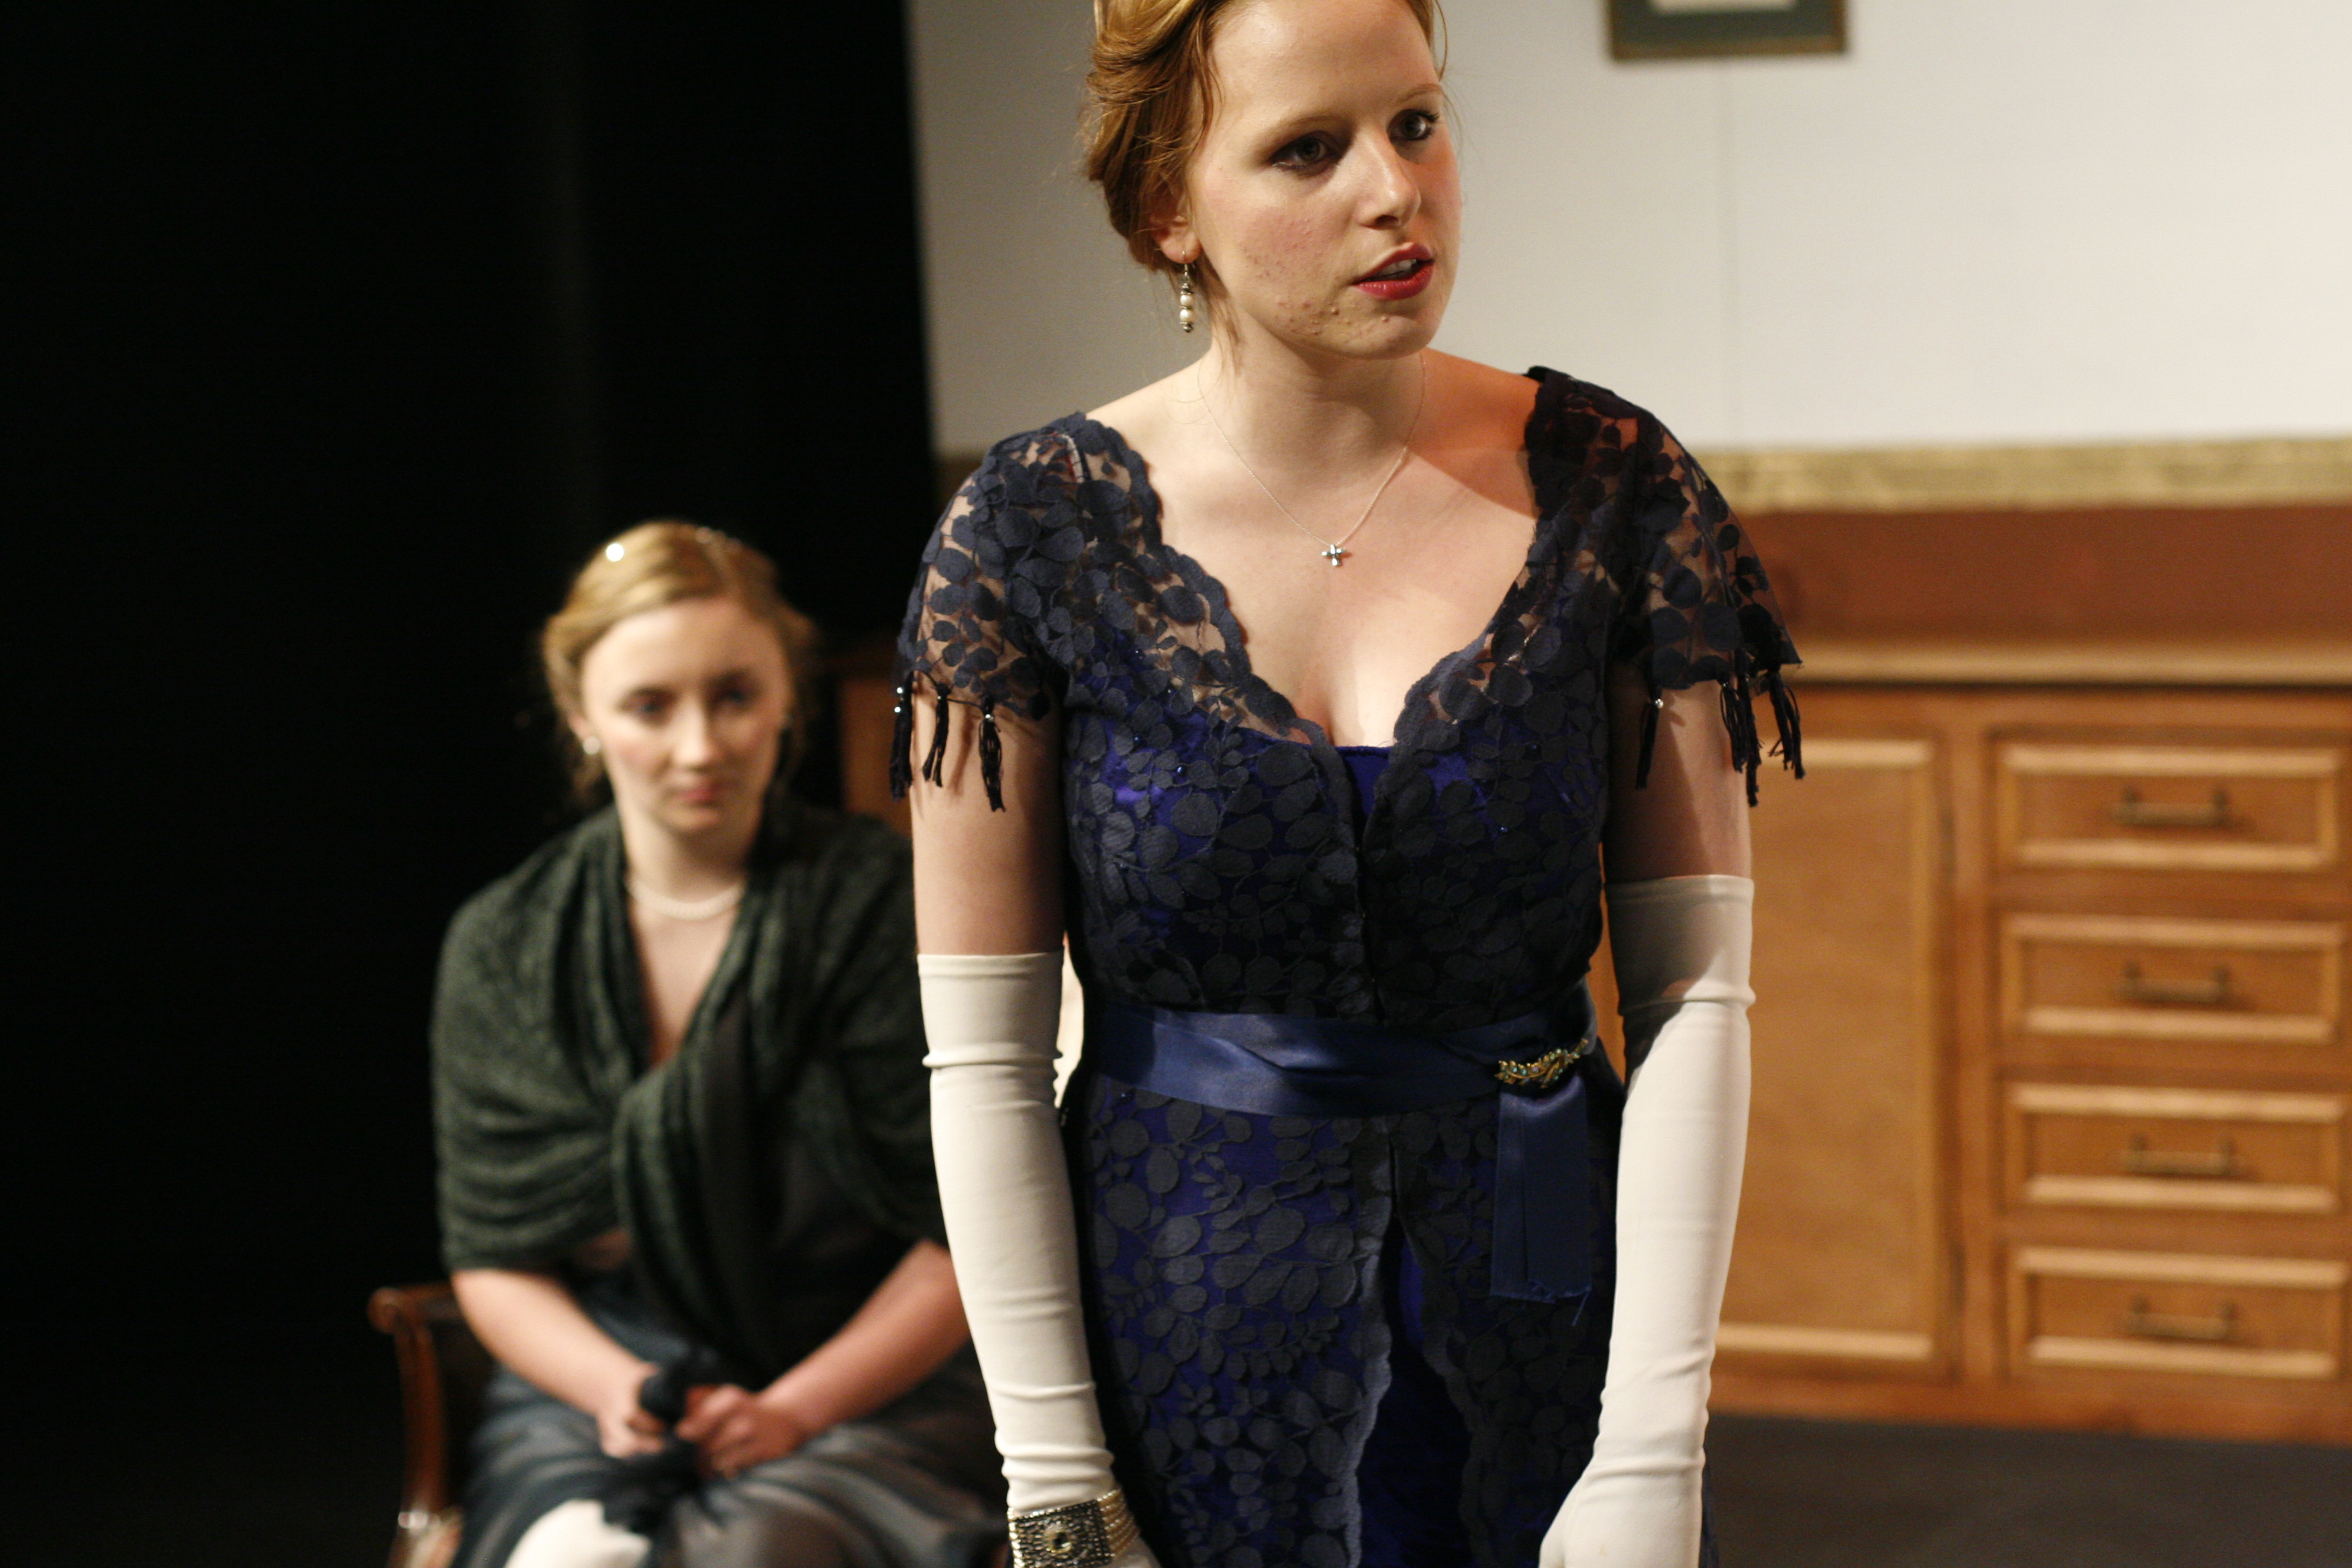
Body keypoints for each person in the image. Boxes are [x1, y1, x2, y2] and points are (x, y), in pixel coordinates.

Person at [891, 2, 1803, 1567]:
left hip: (1541, 1284)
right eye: (1308, 149)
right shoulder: (1034, 529)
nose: (1395, 191)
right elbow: (981, 1058)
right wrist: (1055, 1483)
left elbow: (1694, 995)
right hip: (1181, 1321)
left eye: (1417, 123)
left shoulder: (1615, 485)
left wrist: (1657, 1448)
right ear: (1169, 210)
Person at [432, 522, 1005, 1568]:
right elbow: (494, 1257)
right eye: (650, 707)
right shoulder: (507, 941)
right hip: (601, 1384)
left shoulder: (883, 906)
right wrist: (618, 1391)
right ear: (581, 714)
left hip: (868, 1382)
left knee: (758, 1550)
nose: (700, 747)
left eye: (734, 696)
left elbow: (965, 1231)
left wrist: (793, 1410)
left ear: (787, 696)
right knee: (570, 1555)